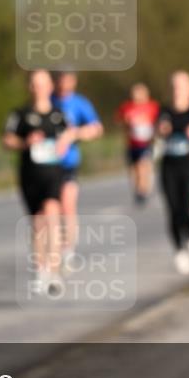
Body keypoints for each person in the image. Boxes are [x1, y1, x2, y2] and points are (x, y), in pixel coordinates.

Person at [4, 70, 75, 291]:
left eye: (42, 84)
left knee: (52, 214)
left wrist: (65, 142)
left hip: (53, 173)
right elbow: (7, 140)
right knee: (37, 221)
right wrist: (25, 142)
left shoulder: (59, 114)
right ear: (30, 87)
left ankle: (54, 271)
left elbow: (70, 134)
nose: (39, 89)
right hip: (30, 174)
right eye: (35, 84)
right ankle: (41, 268)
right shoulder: (20, 114)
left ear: (50, 87)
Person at [157, 71, 189, 274]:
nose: (177, 90)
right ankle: (179, 250)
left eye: (181, 86)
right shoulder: (164, 111)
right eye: (174, 86)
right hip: (169, 165)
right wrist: (161, 130)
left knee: (187, 205)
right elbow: (157, 131)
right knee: (172, 208)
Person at [51, 71, 103, 261]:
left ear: (74, 82)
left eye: (68, 80)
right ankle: (53, 249)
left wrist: (75, 134)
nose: (64, 84)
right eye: (60, 80)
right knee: (51, 209)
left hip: (68, 162)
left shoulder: (80, 103)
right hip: (46, 164)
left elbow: (97, 129)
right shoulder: (48, 100)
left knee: (67, 205)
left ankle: (68, 249)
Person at [116, 83, 160, 206]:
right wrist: (126, 122)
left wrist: (156, 135)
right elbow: (119, 121)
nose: (136, 95)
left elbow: (159, 122)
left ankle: (143, 190)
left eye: (139, 92)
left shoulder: (152, 106)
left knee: (143, 165)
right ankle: (138, 188)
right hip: (132, 143)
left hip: (146, 143)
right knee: (133, 168)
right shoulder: (126, 107)